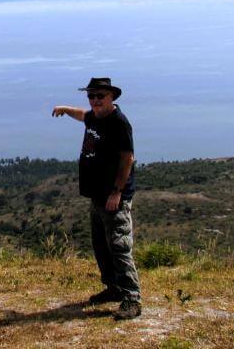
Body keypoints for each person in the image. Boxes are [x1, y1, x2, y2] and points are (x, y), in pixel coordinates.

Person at [52, 77, 142, 320]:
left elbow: (127, 159)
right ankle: (113, 288)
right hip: (96, 195)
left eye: (99, 96)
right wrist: (65, 109)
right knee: (101, 245)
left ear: (111, 97)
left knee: (119, 246)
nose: (94, 101)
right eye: (91, 96)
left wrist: (117, 191)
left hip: (113, 196)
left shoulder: (118, 123)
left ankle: (132, 299)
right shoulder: (95, 117)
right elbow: (83, 115)